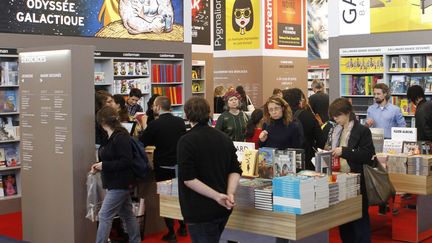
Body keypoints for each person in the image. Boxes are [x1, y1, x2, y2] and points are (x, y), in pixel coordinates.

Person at [177, 97, 242, 243]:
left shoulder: (186, 141)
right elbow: (235, 170)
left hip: (200, 210)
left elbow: (189, 179)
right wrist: (229, 193)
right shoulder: (224, 137)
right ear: (209, 113)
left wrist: (217, 196)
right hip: (223, 208)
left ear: (187, 115)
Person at [139, 96, 187, 242]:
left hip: (163, 166)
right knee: (180, 196)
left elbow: (143, 142)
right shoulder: (180, 122)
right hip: (179, 165)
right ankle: (184, 226)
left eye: (154, 105)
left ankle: (171, 231)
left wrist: (144, 125)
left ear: (158, 107)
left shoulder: (155, 124)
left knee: (166, 198)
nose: (152, 107)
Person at [326, 98, 374, 243]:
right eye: (333, 116)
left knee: (359, 218)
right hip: (338, 178)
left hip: (356, 180)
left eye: (338, 115)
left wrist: (344, 151)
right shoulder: (335, 130)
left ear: (347, 113)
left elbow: (367, 155)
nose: (335, 119)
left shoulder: (362, 131)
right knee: (343, 219)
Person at [91, 106, 141, 243]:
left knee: (104, 215)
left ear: (101, 121)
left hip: (119, 182)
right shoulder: (112, 136)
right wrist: (100, 166)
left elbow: (126, 161)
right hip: (116, 182)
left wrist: (104, 165)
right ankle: (135, 240)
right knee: (127, 214)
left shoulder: (120, 137)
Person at [283, 88, 324, 170]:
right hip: (306, 156)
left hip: (285, 157)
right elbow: (320, 138)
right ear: (299, 101)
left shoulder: (282, 116)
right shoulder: (307, 115)